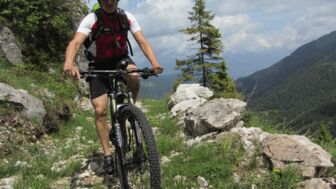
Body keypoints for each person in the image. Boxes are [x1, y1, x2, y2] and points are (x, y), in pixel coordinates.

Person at [63, 0, 163, 174]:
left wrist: (154, 63)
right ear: (100, 1)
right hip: (98, 64)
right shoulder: (91, 19)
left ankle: (131, 110)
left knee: (134, 75)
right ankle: (108, 154)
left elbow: (143, 42)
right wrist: (69, 63)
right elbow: (75, 43)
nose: (109, 2)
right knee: (100, 110)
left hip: (121, 59)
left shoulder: (127, 17)